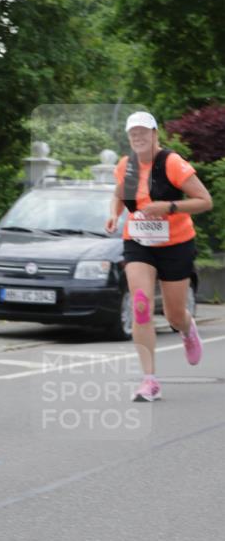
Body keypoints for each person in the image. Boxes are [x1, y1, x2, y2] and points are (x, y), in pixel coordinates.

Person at [105, 111, 212, 402]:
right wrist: (114, 215)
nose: (138, 137)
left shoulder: (173, 163)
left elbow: (204, 201)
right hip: (138, 241)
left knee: (174, 314)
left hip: (176, 243)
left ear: (155, 135)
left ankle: (187, 329)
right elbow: (119, 194)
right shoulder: (126, 166)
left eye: (143, 132)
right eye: (133, 133)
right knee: (140, 304)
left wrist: (169, 207)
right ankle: (149, 381)